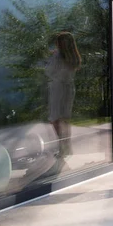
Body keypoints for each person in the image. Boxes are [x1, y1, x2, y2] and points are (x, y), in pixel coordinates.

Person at [45, 31, 81, 161]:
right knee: (65, 119)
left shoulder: (58, 56)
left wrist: (51, 58)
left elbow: (49, 72)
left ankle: (62, 148)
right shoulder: (73, 57)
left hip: (58, 89)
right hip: (69, 88)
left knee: (55, 119)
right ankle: (67, 147)